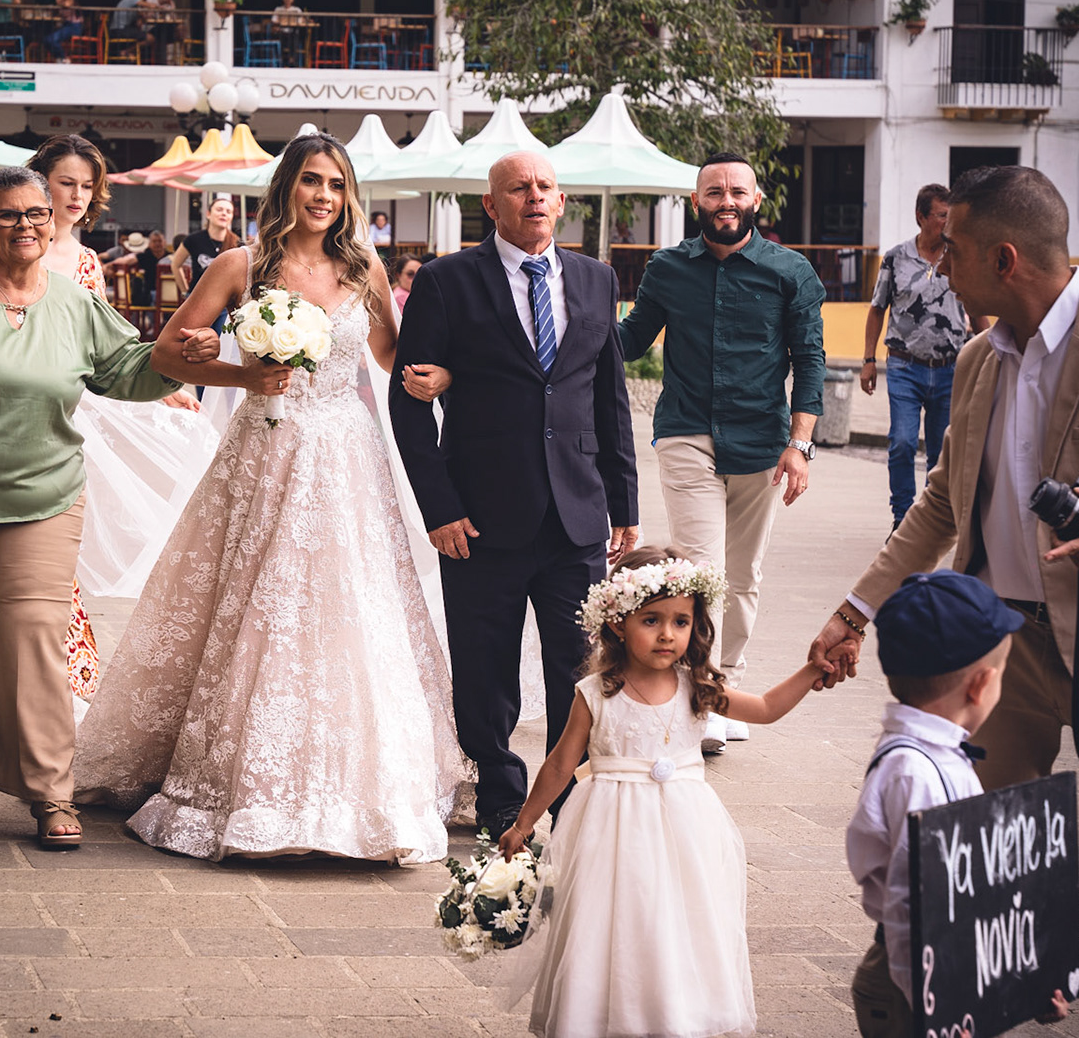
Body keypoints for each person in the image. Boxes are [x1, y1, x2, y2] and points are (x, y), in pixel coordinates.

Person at [808, 164, 1079, 1038]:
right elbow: (940, 503)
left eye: (952, 252)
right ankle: (903, 1014)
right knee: (957, 865)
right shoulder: (977, 358)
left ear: (1005, 259)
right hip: (1002, 656)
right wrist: (855, 610)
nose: (939, 268)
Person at [73, 133, 466, 861]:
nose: (324, 196)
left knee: (350, 602)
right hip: (266, 446)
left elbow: (391, 355)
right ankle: (232, 770)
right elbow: (166, 353)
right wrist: (241, 376)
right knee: (255, 598)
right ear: (287, 186)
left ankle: (358, 776)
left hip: (347, 454)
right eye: (312, 180)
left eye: (337, 185)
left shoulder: (365, 267)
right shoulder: (241, 266)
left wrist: (438, 374)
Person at [0, 165, 192, 849]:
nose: (26, 225)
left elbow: (126, 370)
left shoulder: (75, 304)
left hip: (43, 493)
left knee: (35, 634)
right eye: (10, 214)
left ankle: (50, 791)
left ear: (52, 223)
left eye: (37, 214)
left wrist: (180, 356)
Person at [390, 149, 641, 839]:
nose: (534, 197)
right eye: (518, 188)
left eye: (544, 187)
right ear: (491, 205)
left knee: (580, 667)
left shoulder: (596, 278)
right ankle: (501, 797)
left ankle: (567, 799)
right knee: (485, 669)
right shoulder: (446, 282)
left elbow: (609, 400)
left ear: (561, 201)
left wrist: (625, 505)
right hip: (479, 517)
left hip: (577, 516)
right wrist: (440, 509)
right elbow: (408, 405)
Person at [494, 548, 822, 1038]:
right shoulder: (596, 692)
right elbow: (561, 764)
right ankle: (602, 1016)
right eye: (652, 620)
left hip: (684, 831)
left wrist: (813, 670)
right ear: (618, 623)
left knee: (677, 919)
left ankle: (674, 1015)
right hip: (611, 830)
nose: (668, 634)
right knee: (614, 921)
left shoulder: (698, 687)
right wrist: (523, 824)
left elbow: (766, 708)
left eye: (681, 621)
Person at [614, 151, 825, 754]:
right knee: (703, 569)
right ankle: (697, 694)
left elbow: (809, 359)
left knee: (744, 574)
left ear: (756, 200)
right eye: (714, 192)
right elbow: (631, 341)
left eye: (737, 192)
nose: (725, 201)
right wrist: (571, 316)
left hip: (762, 441)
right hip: (686, 432)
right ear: (696, 202)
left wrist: (800, 444)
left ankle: (723, 685)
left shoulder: (790, 271)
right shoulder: (667, 267)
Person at [846, 569, 1070, 1037]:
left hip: (950, 968)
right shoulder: (915, 773)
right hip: (911, 986)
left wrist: (1028, 982)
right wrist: (942, 1012)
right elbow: (912, 911)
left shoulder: (942, 753)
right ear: (980, 686)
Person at [862, 183, 980, 528]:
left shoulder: (960, 256)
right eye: (942, 215)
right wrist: (868, 361)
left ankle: (930, 522)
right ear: (921, 217)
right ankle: (902, 519)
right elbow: (877, 309)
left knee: (941, 453)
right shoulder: (896, 258)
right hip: (904, 366)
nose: (947, 222)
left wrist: (993, 351)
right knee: (902, 442)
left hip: (950, 368)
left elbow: (978, 307)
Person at [173, 195, 239, 297]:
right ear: (208, 214)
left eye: (228, 211)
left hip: (225, 300)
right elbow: (175, 265)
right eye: (219, 210)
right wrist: (185, 292)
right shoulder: (193, 239)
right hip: (197, 297)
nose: (224, 213)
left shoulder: (237, 243)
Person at [388, 253, 421, 317]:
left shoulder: (412, 294)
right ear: (398, 275)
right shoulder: (401, 297)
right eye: (410, 274)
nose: (416, 279)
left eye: (419, 274)